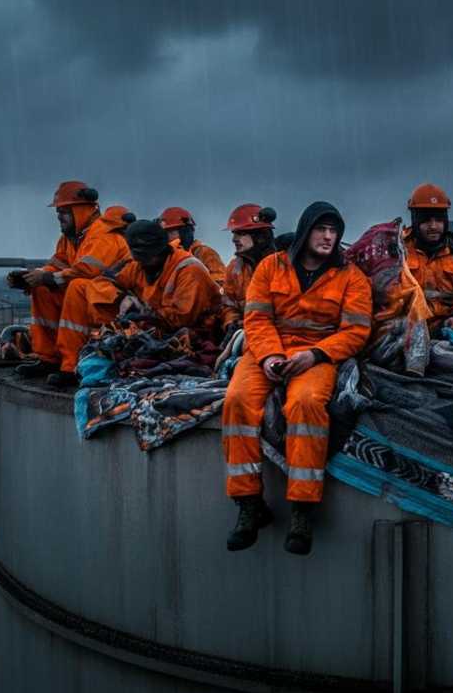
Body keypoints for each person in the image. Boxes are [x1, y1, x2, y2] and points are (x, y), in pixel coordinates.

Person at [221, 202, 372, 556]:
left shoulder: (351, 277)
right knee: (237, 401)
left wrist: (315, 355)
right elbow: (256, 319)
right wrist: (270, 356)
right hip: (267, 351)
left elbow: (356, 332)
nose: (328, 237)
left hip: (317, 354)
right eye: (321, 229)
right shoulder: (270, 268)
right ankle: (249, 504)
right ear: (305, 231)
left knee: (305, 405)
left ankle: (302, 510)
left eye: (334, 231)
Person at [45, 219, 222, 387]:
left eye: (146, 257)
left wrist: (145, 314)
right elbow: (104, 281)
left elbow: (184, 318)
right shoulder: (138, 265)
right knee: (80, 287)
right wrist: (121, 298)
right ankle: (70, 367)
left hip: (191, 336)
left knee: (138, 364)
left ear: (160, 250)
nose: (141, 262)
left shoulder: (189, 270)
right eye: (139, 257)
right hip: (153, 329)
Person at [10, 181, 132, 378]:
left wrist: (48, 277)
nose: (59, 217)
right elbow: (57, 264)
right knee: (42, 289)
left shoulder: (103, 236)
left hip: (114, 305)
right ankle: (48, 358)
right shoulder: (70, 238)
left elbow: (88, 271)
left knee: (77, 286)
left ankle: (71, 366)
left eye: (64, 212)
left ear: (82, 210)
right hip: (92, 298)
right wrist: (33, 277)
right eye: (58, 212)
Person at [401, 183, 453, 336]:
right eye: (426, 220)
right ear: (415, 221)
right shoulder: (399, 251)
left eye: (438, 220)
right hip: (410, 326)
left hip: (449, 323)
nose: (433, 226)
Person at [220, 204, 277, 336]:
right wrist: (231, 322)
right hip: (246, 334)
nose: (234, 239)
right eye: (234, 233)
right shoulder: (234, 268)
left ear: (260, 236)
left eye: (241, 233)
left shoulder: (281, 266)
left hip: (276, 334)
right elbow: (228, 305)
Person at [158, 206, 227, 286]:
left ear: (185, 232)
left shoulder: (204, 253)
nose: (166, 238)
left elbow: (221, 283)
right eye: (164, 233)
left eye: (170, 232)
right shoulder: (165, 258)